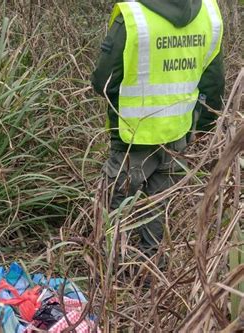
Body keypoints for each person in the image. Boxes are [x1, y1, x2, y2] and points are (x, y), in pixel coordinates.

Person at [91, 0, 224, 257]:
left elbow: (103, 82)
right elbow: (214, 83)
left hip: (131, 138)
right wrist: (203, 129)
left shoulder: (133, 14)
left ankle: (113, 275)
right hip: (178, 136)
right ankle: (151, 274)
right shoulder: (209, 12)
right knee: (158, 208)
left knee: (117, 211)